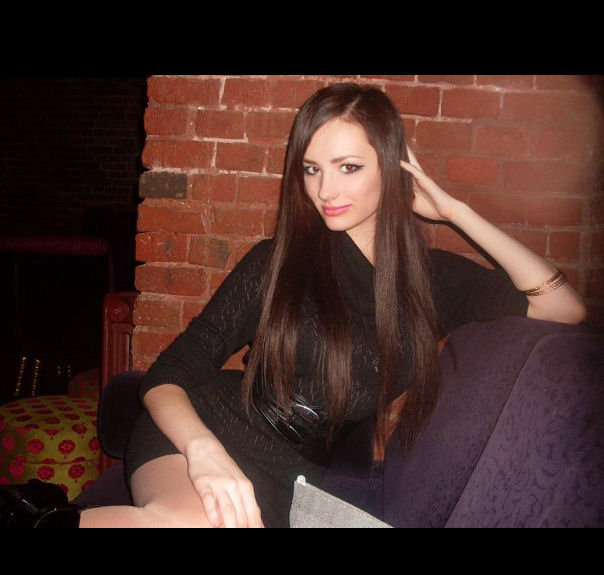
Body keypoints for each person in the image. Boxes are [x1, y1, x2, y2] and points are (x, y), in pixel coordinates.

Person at [0, 83, 587, 528]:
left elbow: (564, 308)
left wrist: (454, 211)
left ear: (391, 167)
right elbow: (171, 372)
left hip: (298, 475)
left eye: (349, 168)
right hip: (204, 428)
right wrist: (205, 453)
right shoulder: (278, 262)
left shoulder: (432, 281)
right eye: (312, 169)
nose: (326, 191)